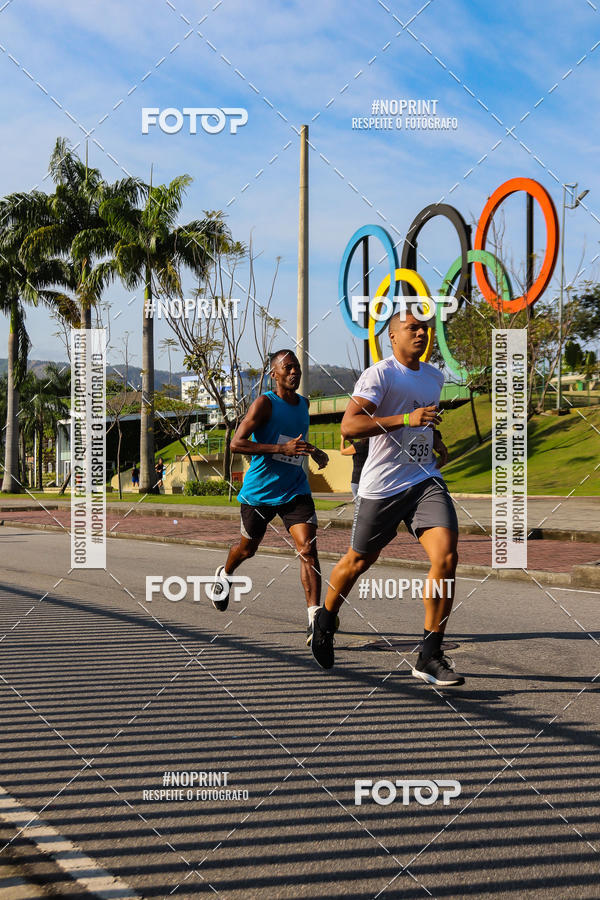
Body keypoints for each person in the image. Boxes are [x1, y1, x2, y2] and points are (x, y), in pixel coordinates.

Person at [311, 304, 464, 686]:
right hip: (382, 486)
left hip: (424, 478)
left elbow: (421, 418)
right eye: (412, 328)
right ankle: (325, 620)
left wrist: (434, 438)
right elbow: (350, 426)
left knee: (446, 557)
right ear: (392, 336)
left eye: (424, 328)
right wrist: (406, 420)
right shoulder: (379, 374)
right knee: (358, 561)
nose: (421, 333)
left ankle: (429, 654)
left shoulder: (433, 376)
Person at [210, 349, 331, 645]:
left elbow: (295, 441)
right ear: (274, 374)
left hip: (295, 490)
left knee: (308, 549)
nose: (294, 372)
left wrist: (314, 451)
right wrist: (280, 450)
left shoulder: (304, 404)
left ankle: (314, 619)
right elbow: (236, 444)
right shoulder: (264, 403)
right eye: (287, 368)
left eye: (297, 367)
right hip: (260, 493)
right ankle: (225, 573)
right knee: (247, 550)